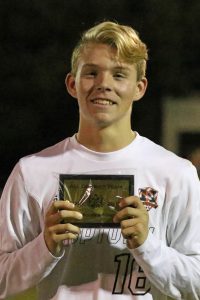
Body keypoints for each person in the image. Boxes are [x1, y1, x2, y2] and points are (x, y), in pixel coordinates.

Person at [0, 20, 200, 300]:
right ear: (72, 83)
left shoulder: (175, 173)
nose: (104, 84)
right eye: (92, 73)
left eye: (119, 75)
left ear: (139, 87)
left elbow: (196, 282)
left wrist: (148, 246)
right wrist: (44, 247)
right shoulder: (32, 171)